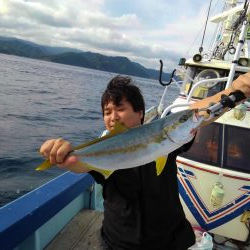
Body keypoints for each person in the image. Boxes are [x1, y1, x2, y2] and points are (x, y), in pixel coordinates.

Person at [40, 73, 250, 250]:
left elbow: (198, 113)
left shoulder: (166, 138)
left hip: (170, 240)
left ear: (140, 113)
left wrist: (236, 90)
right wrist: (60, 154)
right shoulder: (103, 149)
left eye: (120, 108)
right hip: (119, 243)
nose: (113, 117)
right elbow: (77, 164)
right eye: (107, 112)